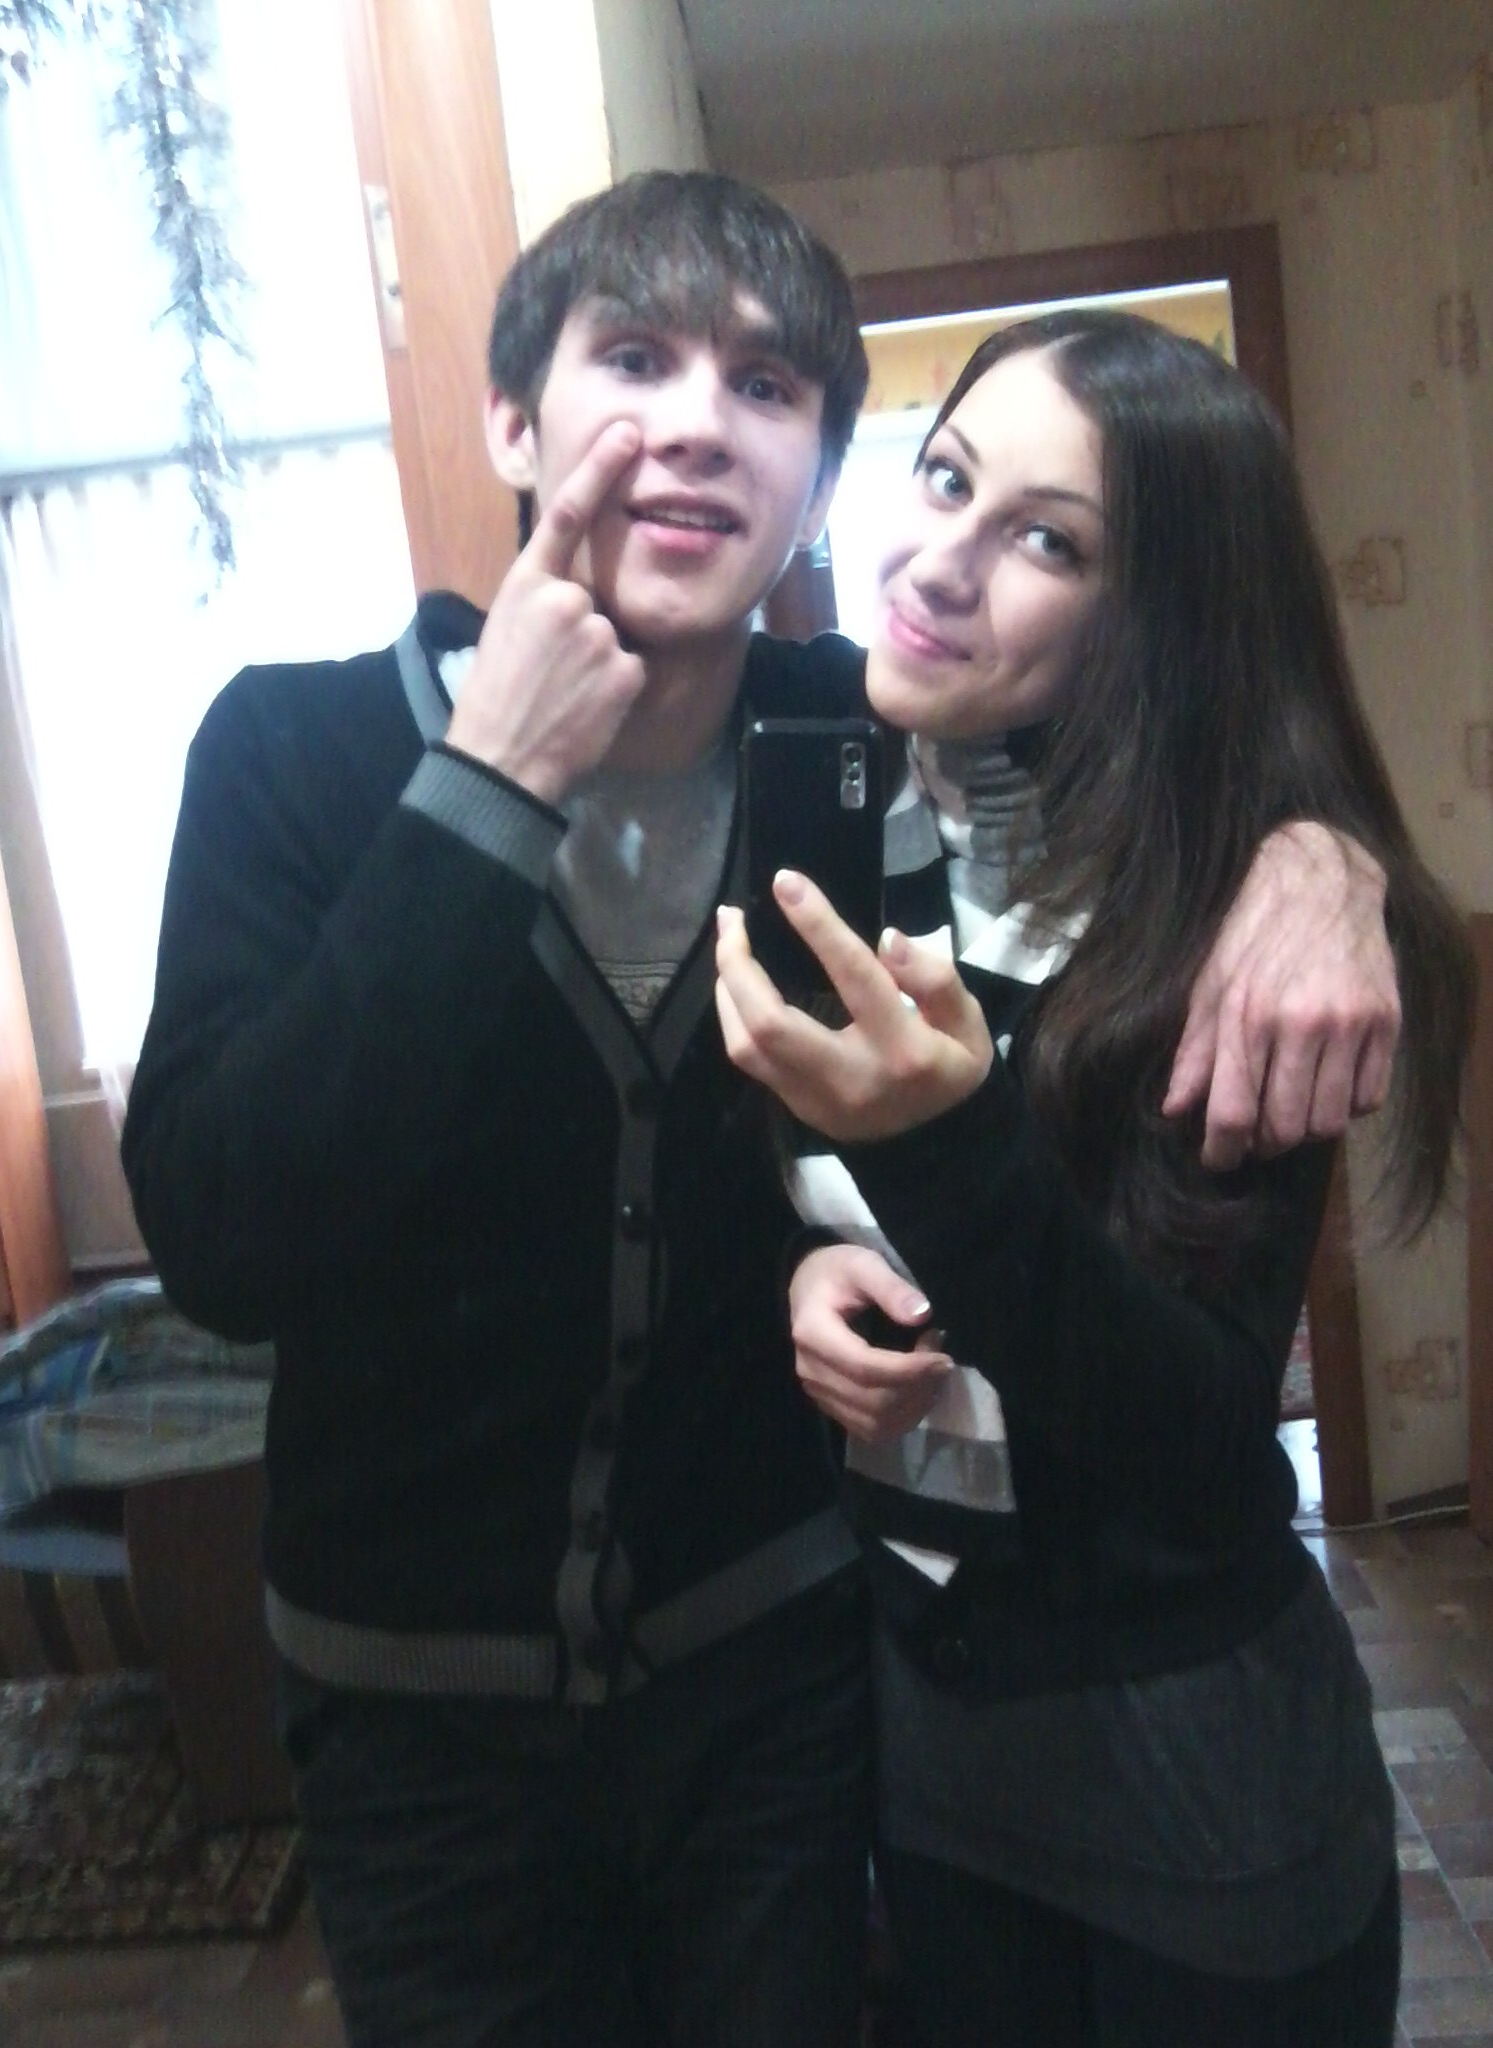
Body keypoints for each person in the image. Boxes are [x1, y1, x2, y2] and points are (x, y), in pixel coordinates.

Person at [122, 172, 1400, 2048]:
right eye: (635, 359)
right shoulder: (293, 751)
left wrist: (1327, 863)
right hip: (414, 1728)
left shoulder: (858, 750)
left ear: (814, 488)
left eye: (770, 386)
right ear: (514, 421)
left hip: (777, 1699)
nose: (701, 422)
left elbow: (1185, 706)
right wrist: (491, 780)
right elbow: (224, 1240)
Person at [714, 309, 1476, 2047]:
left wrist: (1328, 854)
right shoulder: (825, 798)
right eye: (946, 481)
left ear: (1158, 611)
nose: (942, 561)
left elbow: (1193, 1438)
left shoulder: (1232, 925)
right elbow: (749, 1181)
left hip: (1191, 1785)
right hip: (927, 1759)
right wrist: (798, 1278)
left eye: (1049, 541)